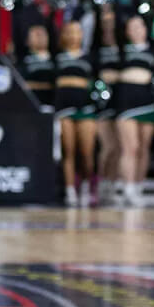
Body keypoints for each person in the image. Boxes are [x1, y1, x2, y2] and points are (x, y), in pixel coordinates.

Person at [113, 15, 154, 207]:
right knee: (129, 147)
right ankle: (128, 187)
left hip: (147, 101)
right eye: (132, 27)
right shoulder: (121, 50)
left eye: (140, 26)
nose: (137, 30)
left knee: (143, 148)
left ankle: (138, 186)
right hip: (126, 102)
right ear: (126, 32)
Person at [54, 22, 98, 207]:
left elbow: (96, 82)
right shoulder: (57, 57)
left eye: (77, 32)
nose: (73, 36)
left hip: (85, 108)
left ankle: (87, 184)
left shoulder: (89, 58)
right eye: (69, 32)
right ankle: (70, 189)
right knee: (68, 150)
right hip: (64, 109)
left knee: (86, 152)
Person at [92, 8, 121, 205]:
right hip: (101, 104)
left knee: (118, 148)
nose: (109, 26)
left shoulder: (122, 49)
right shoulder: (96, 50)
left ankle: (111, 184)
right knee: (108, 146)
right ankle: (100, 182)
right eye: (105, 22)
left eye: (112, 22)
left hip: (121, 101)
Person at [18, 24, 55, 109]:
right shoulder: (23, 61)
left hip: (54, 106)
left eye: (43, 34)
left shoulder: (57, 59)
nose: (40, 36)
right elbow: (20, 84)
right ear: (27, 41)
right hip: (30, 106)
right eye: (36, 34)